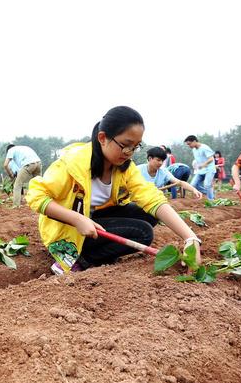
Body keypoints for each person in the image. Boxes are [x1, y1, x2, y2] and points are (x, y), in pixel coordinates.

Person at [27, 106, 202, 275]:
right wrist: (77, 218)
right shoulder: (74, 162)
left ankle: (100, 252)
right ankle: (76, 260)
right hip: (66, 228)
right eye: (125, 145)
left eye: (135, 146)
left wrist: (190, 237)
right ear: (103, 138)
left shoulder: (124, 167)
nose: (129, 152)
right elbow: (36, 196)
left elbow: (150, 197)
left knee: (148, 213)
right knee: (143, 232)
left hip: (93, 219)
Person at [137, 147, 202, 200]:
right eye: (158, 160)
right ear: (150, 158)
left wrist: (194, 190)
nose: (161, 163)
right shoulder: (138, 170)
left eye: (162, 161)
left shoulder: (163, 172)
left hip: (154, 200)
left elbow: (180, 183)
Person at [184, 135, 216, 200]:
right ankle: (210, 193)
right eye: (187, 145)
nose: (189, 146)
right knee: (193, 185)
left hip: (209, 169)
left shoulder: (204, 148)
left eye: (189, 144)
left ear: (194, 141)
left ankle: (211, 200)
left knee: (207, 185)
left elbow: (211, 159)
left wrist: (204, 164)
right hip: (201, 170)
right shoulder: (194, 150)